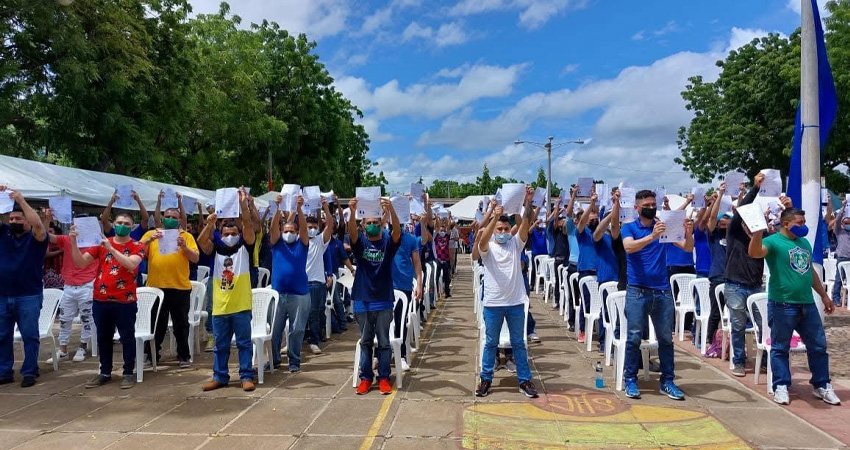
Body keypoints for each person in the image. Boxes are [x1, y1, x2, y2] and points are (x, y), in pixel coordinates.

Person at [748, 207, 841, 406]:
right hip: (782, 304)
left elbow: (810, 273)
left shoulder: (804, 243)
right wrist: (757, 232)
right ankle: (780, 385)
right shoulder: (773, 241)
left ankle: (821, 384)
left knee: (818, 346)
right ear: (786, 223)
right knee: (780, 347)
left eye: (803, 222)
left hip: (807, 303)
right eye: (799, 223)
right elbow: (755, 252)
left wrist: (824, 296)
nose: (803, 226)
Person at [621, 189, 693, 400]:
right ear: (637, 208)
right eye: (647, 205)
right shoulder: (630, 227)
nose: (651, 208)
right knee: (634, 337)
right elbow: (628, 247)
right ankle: (630, 380)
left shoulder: (663, 226)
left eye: (654, 204)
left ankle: (668, 381)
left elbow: (687, 248)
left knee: (666, 339)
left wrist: (688, 232)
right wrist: (653, 236)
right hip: (637, 290)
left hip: (662, 291)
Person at [475, 187, 539, 399]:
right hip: (493, 303)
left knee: (518, 343)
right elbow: (482, 242)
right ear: (494, 230)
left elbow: (526, 224)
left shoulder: (515, 244)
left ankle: (525, 380)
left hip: (515, 302)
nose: (503, 233)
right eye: (499, 229)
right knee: (491, 342)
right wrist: (493, 217)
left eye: (505, 229)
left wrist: (527, 201)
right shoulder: (488, 247)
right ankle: (485, 379)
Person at [71, 213, 145, 390]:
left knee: (127, 337)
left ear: (132, 226)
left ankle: (128, 372)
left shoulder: (138, 245)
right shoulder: (100, 244)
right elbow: (80, 263)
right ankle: (105, 372)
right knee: (104, 338)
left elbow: (131, 264)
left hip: (125, 300)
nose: (122, 225)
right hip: (101, 299)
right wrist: (73, 242)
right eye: (119, 222)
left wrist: (112, 248)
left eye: (126, 223)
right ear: (113, 223)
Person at [198, 188, 257, 392]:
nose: (230, 236)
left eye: (233, 234)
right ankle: (220, 376)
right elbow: (200, 242)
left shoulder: (245, 247)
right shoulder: (215, 249)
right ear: (220, 235)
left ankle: (246, 376)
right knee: (220, 345)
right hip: (221, 307)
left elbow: (249, 227)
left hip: (241, 305)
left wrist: (243, 206)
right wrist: (209, 225)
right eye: (226, 234)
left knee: (244, 343)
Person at [348, 196, 402, 395]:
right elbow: (351, 233)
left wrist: (393, 210)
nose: (372, 226)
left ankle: (384, 377)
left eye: (376, 223)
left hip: (383, 300)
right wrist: (352, 212)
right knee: (365, 342)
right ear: (363, 225)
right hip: (362, 300)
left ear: (381, 225)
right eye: (369, 223)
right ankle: (365, 378)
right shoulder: (360, 243)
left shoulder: (387, 244)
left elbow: (397, 232)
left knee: (384, 342)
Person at [0, 187, 48, 388]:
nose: (13, 222)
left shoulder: (37, 238)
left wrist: (20, 200)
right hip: (2, 295)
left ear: (27, 221)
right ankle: (4, 372)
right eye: (11, 219)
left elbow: (38, 224)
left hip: (28, 295)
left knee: (29, 335)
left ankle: (29, 371)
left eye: (18, 219)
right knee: (2, 336)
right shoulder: (3, 235)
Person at [141, 207, 200, 368]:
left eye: (174, 217)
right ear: (162, 217)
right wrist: (149, 240)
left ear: (179, 220)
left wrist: (184, 247)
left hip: (179, 287)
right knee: (155, 324)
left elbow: (195, 258)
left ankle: (183, 355)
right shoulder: (151, 234)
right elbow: (137, 252)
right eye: (167, 216)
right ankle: (152, 355)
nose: (170, 219)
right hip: (156, 288)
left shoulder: (186, 236)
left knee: (181, 324)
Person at [724, 174, 766, 377]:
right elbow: (741, 211)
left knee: (765, 323)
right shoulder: (734, 231)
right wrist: (755, 189)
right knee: (738, 325)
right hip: (735, 286)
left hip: (756, 286)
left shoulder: (761, 236)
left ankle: (765, 360)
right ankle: (739, 361)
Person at [46, 213, 99, 364]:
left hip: (88, 284)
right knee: (64, 319)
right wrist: (47, 220)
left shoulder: (97, 242)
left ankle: (82, 347)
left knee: (87, 318)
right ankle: (63, 350)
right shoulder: (67, 239)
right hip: (68, 285)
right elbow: (47, 236)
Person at [269, 195, 311, 373]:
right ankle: (274, 359)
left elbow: (303, 229)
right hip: (278, 294)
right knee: (274, 331)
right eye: (285, 230)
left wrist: (299, 209)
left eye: (292, 230)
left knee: (296, 330)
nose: (288, 233)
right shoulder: (276, 244)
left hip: (299, 295)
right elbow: (272, 228)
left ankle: (294, 361)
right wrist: (278, 208)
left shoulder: (302, 244)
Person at [391, 207, 424, 372]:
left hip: (404, 286)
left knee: (400, 322)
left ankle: (401, 355)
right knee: (381, 322)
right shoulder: (382, 237)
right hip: (384, 286)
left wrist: (419, 282)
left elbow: (417, 262)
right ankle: (377, 355)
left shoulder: (410, 239)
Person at [592, 189, 621, 354]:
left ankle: (616, 343)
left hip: (622, 279)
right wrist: (612, 212)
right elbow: (597, 232)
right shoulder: (602, 237)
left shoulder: (624, 235)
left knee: (621, 314)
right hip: (606, 279)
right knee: (607, 313)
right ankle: (604, 343)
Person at [305, 198, 334, 355]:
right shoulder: (298, 240)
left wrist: (325, 207)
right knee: (299, 315)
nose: (311, 229)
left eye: (314, 227)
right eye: (309, 227)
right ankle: (294, 342)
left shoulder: (320, 240)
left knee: (315, 313)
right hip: (301, 283)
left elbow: (329, 224)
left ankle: (314, 341)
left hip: (316, 283)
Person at [704, 183, 731, 352]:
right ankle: (709, 341)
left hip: (733, 279)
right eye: (721, 221)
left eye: (726, 221)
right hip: (717, 277)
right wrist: (719, 196)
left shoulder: (735, 236)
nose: (723, 223)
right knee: (716, 312)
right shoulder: (713, 236)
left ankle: (730, 344)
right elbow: (712, 219)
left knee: (734, 315)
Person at [575, 185, 600, 344]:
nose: (593, 218)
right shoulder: (582, 233)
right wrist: (590, 204)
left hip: (600, 272)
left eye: (595, 216)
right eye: (590, 216)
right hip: (585, 271)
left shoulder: (601, 231)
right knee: (586, 302)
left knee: (599, 303)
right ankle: (583, 330)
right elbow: (582, 221)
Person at [546, 196, 570, 311]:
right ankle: (557, 300)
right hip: (558, 258)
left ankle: (565, 302)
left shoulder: (567, 232)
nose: (562, 222)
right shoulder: (556, 231)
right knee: (558, 281)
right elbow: (554, 220)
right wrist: (557, 206)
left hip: (567, 259)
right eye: (561, 220)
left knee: (565, 283)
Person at [831, 196, 850, 307]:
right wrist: (843, 208)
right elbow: (837, 220)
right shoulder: (839, 231)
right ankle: (836, 299)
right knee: (839, 279)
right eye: (847, 223)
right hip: (842, 257)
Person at [434, 215, 452, 298]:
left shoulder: (447, 236)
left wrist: (448, 219)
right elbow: (436, 227)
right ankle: (437, 292)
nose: (442, 229)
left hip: (446, 259)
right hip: (438, 259)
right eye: (441, 228)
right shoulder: (436, 236)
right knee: (436, 277)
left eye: (443, 228)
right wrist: (437, 219)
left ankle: (447, 292)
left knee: (447, 278)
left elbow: (448, 228)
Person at [43, 223, 65, 289]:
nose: (48, 233)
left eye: (50, 231)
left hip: (60, 269)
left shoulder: (61, 241)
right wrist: (60, 251)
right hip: (48, 269)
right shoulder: (45, 242)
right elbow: (46, 255)